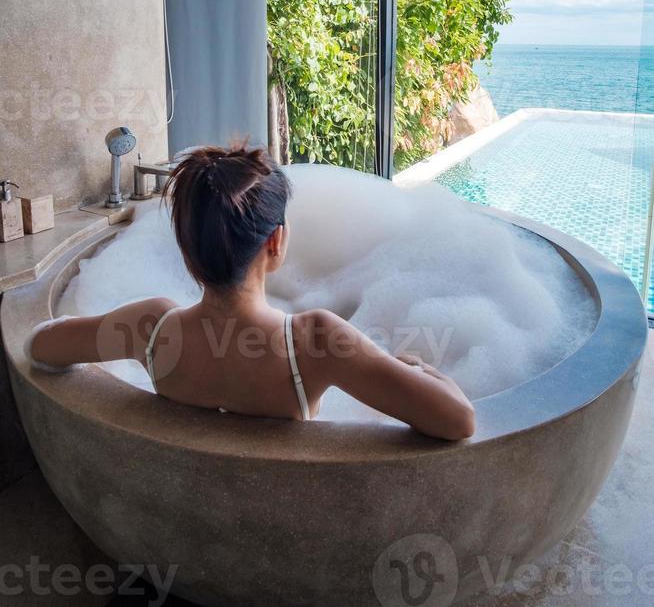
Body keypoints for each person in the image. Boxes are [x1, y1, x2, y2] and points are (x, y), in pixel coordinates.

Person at [26, 144, 475, 440]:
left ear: (185, 248)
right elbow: (458, 421)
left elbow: (41, 346)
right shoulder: (315, 341)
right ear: (276, 241)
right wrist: (418, 367)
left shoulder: (150, 326)